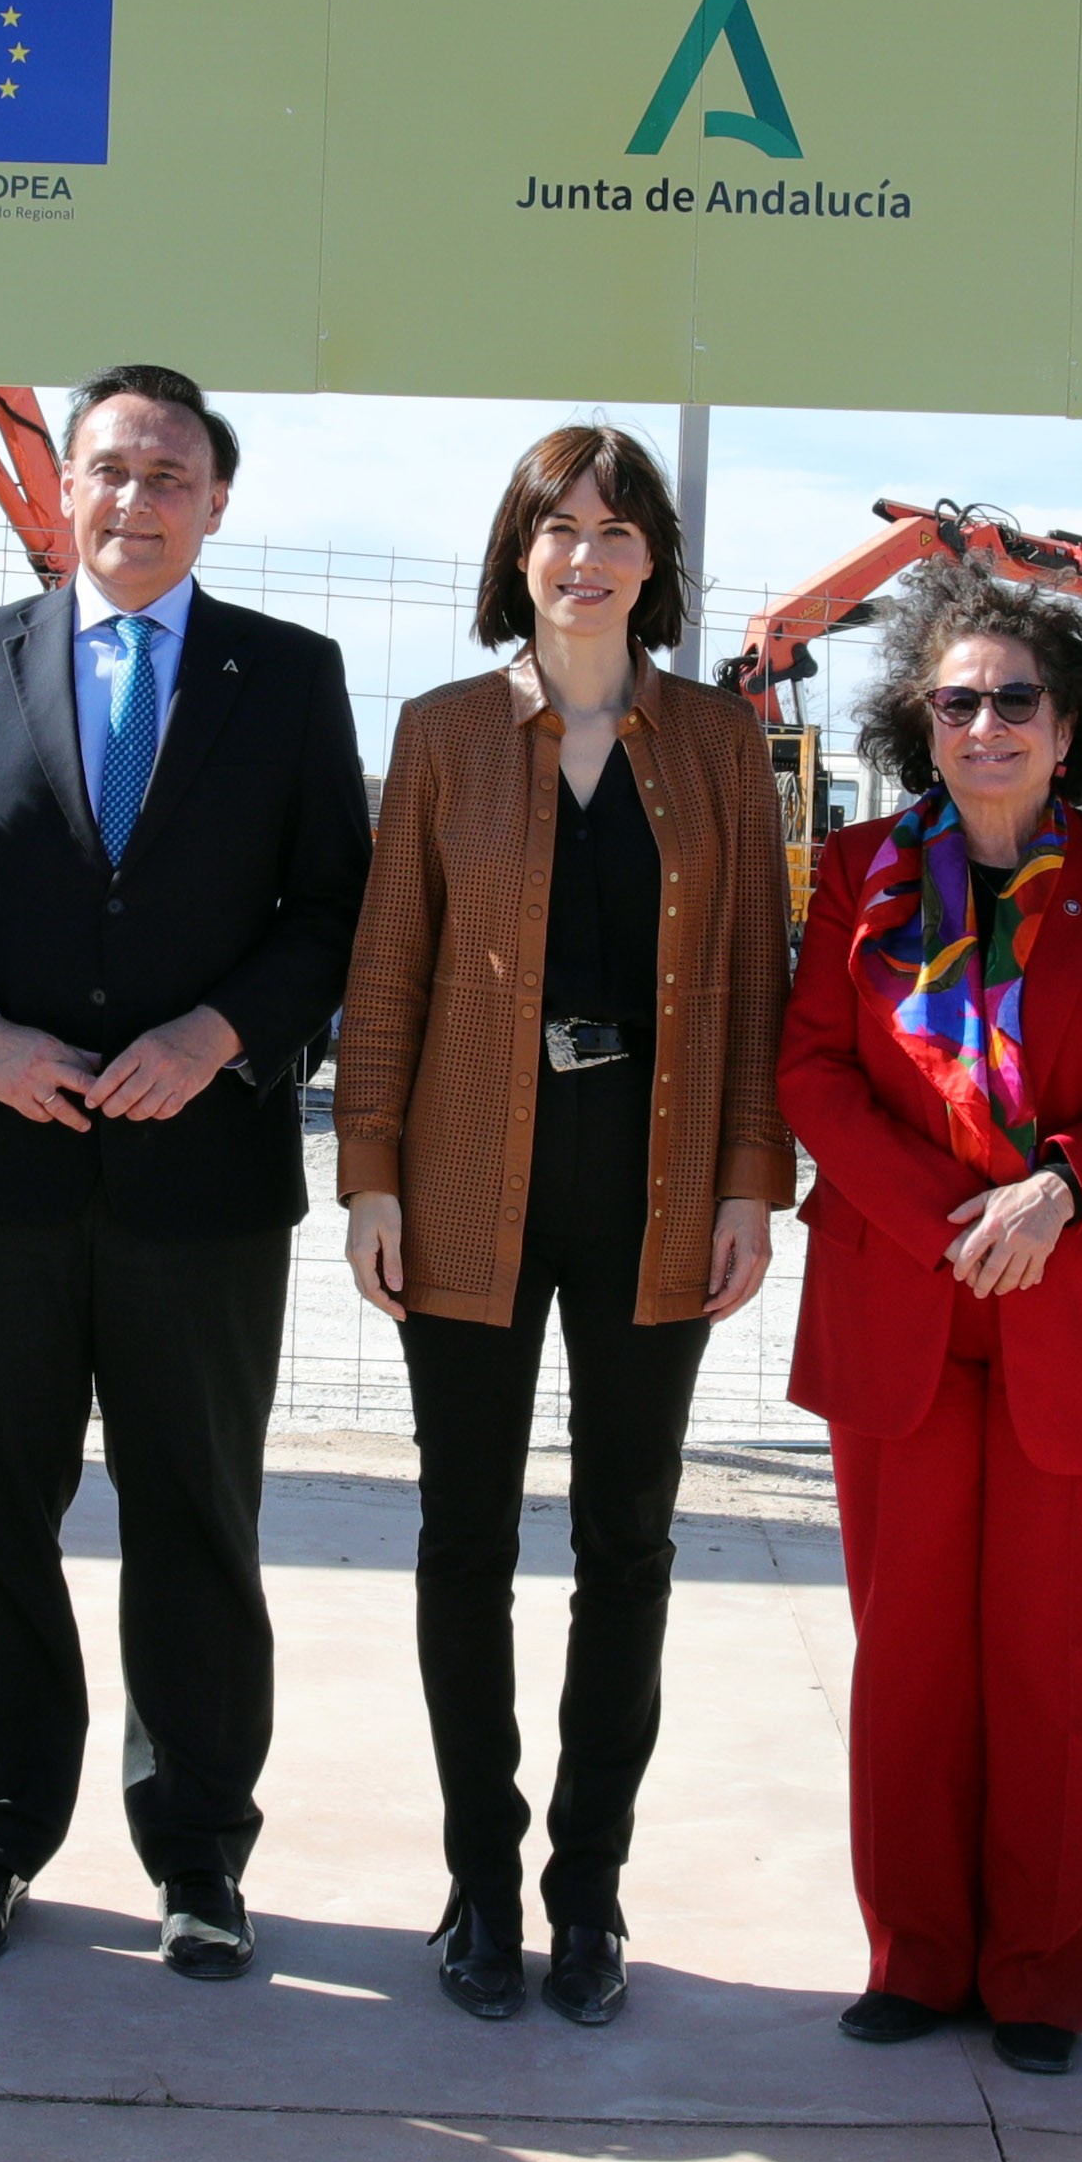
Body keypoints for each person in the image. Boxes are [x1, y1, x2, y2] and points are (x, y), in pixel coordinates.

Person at [0, 363, 372, 1980]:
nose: (136, 501)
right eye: (109, 470)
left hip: (200, 1180)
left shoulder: (288, 675)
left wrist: (220, 1035)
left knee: (196, 1518)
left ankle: (200, 1853)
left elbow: (333, 909)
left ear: (215, 501)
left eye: (169, 476)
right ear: (63, 488)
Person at [332, 424, 786, 2028]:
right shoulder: (444, 734)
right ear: (516, 553)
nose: (585, 558)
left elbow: (758, 974)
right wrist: (369, 1171)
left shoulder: (721, 742)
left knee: (627, 1546)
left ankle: (588, 1893)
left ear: (654, 560)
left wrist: (753, 1177)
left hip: (654, 1188)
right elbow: (386, 966)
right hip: (470, 1179)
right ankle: (480, 1884)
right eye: (558, 528)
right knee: (464, 1542)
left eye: (616, 530)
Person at [777, 566, 1082, 2077]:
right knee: (909, 1656)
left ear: (1069, 724)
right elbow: (814, 1072)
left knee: (1066, 1662)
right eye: (956, 700)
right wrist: (947, 1222)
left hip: (1072, 1304)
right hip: (906, 1303)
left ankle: (1041, 1975)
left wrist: (1055, 1194)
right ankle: (914, 1955)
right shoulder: (857, 873)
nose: (986, 724)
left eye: (1016, 699)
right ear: (923, 722)